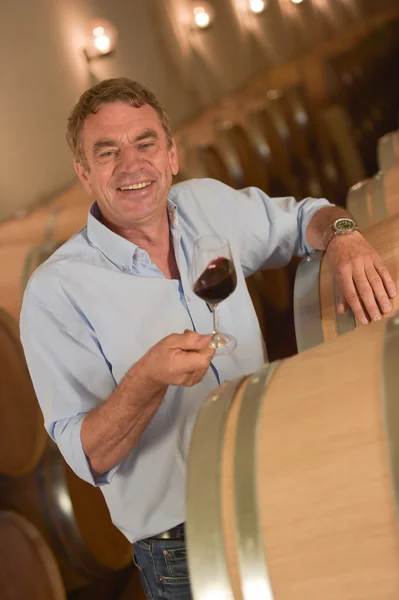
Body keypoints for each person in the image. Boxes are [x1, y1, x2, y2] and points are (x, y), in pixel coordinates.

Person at [20, 77, 396, 600]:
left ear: (172, 154)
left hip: (277, 478)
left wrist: (344, 235)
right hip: (185, 544)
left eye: (145, 143)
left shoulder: (207, 206)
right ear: (84, 173)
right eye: (107, 152)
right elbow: (89, 455)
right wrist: (148, 378)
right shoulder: (55, 292)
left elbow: (306, 217)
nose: (131, 164)